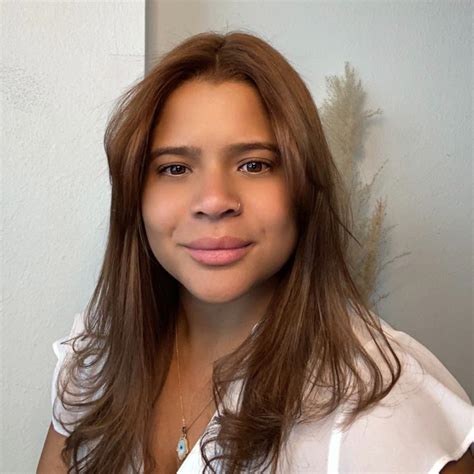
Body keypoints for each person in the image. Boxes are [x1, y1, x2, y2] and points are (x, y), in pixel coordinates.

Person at [38, 30, 473, 473]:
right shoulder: (96, 359)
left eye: (254, 164)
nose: (214, 201)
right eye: (175, 167)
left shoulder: (380, 405)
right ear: (135, 196)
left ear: (304, 187)